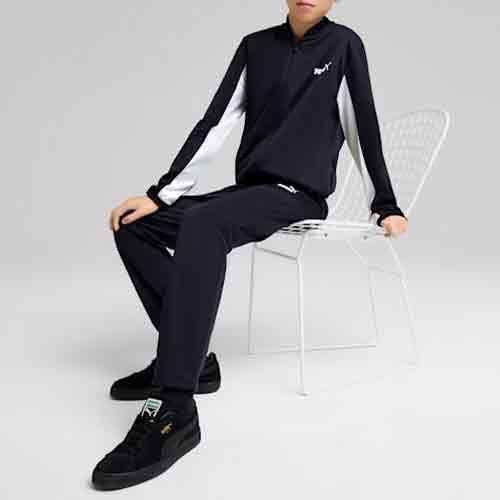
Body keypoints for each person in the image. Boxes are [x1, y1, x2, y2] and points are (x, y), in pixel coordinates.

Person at [91, 0, 409, 490]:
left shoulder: (344, 45)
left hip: (296, 195)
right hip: (248, 193)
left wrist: (384, 202)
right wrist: (160, 195)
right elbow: (214, 123)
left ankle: (175, 406)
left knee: (203, 225)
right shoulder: (255, 48)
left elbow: (361, 125)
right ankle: (193, 359)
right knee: (134, 225)